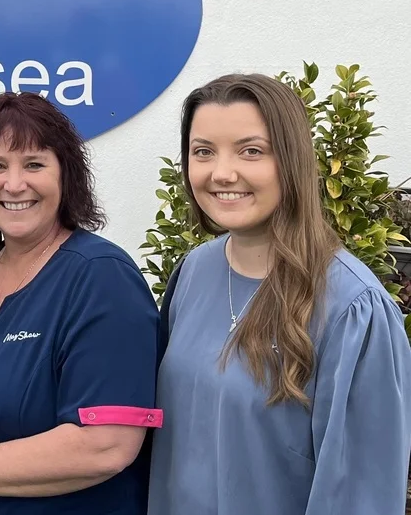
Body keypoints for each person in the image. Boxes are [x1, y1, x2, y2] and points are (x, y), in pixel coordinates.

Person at [148, 74, 411, 514]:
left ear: (290, 160)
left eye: (251, 151)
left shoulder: (352, 308)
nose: (222, 173)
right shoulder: (193, 272)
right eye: (203, 152)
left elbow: (360, 496)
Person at [0, 91, 161, 515]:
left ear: (65, 175)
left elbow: (106, 445)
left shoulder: (101, 276)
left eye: (34, 164)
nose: (14, 184)